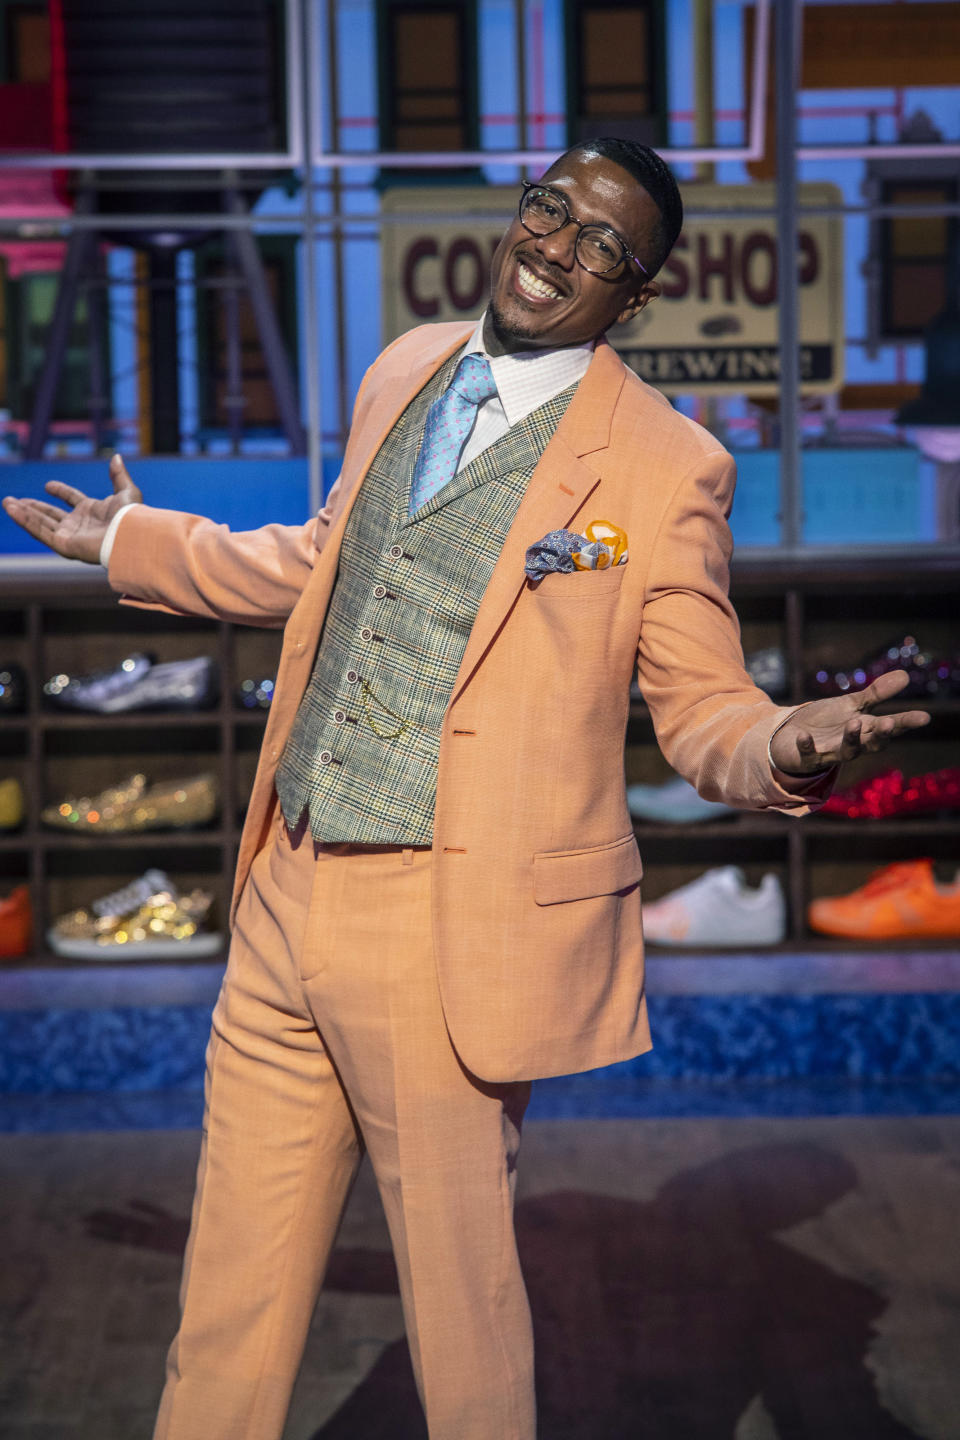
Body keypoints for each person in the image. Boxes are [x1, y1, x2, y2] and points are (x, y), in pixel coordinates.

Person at [2, 139, 929, 1440]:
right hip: (284, 895)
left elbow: (703, 705)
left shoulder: (667, 467)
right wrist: (135, 541)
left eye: (602, 244)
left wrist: (789, 742)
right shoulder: (406, 366)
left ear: (638, 291)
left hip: (448, 935)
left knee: (463, 1328)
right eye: (551, 212)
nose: (558, 249)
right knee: (227, 1309)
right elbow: (327, 563)